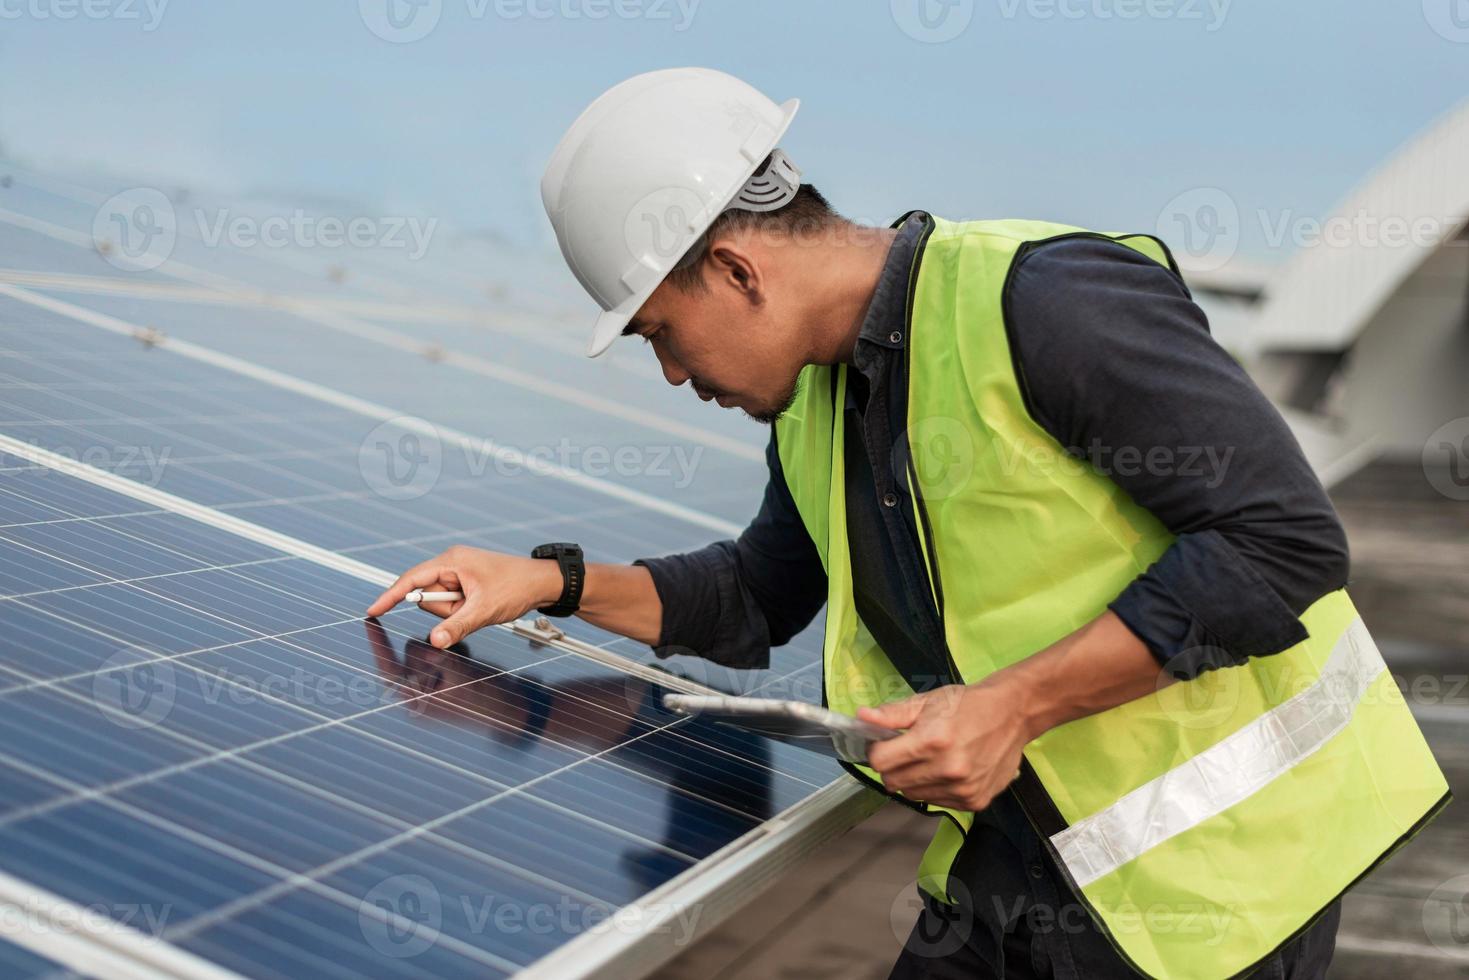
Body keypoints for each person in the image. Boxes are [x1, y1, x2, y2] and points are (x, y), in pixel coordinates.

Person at [367, 68, 1450, 979]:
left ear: (738, 268)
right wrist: (549, 579)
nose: (670, 371)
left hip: (1214, 889)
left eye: (662, 331)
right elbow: (754, 596)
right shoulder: (814, 406)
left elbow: (1280, 543)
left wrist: (1010, 708)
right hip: (1015, 867)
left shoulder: (1044, 299)